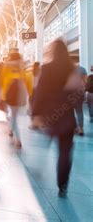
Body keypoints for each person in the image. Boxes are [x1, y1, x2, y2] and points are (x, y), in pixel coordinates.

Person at [32, 39, 82, 197]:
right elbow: (78, 94)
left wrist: (35, 114)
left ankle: (38, 168)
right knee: (65, 152)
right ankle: (62, 185)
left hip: (51, 116)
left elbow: (40, 92)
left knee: (47, 141)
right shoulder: (73, 69)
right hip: (67, 117)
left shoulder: (47, 68)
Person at [0, 52, 29, 148]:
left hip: (10, 92)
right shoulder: (22, 66)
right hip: (20, 92)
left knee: (13, 116)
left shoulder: (6, 65)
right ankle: (11, 130)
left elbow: (2, 79)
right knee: (14, 115)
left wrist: (2, 95)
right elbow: (25, 79)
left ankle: (18, 139)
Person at [73, 63, 87, 136]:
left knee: (70, 111)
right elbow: (85, 82)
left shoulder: (68, 69)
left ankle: (75, 128)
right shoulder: (82, 69)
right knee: (79, 110)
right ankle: (81, 129)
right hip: (79, 92)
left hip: (69, 93)